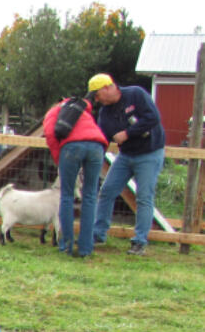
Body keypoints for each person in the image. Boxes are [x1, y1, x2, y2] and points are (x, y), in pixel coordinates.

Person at [88, 73, 166, 256]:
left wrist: (128, 134)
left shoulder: (136, 94)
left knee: (144, 197)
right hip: (126, 156)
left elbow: (153, 118)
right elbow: (103, 138)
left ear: (108, 87)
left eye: (97, 94)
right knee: (107, 191)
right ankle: (98, 234)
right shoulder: (105, 113)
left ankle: (139, 241)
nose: (97, 100)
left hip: (149, 153)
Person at [41, 92, 107, 257]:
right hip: (97, 146)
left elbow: (50, 134)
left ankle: (67, 245)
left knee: (67, 195)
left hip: (71, 148)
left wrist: (59, 160)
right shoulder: (84, 111)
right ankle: (86, 247)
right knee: (90, 196)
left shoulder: (54, 111)